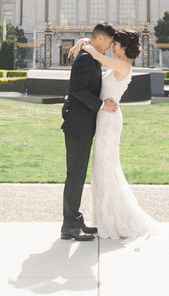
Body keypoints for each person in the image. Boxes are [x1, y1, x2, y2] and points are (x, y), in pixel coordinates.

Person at [73, 28, 157, 240]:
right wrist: (86, 41)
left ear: (124, 48)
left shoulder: (122, 66)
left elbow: (98, 56)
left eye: (116, 45)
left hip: (109, 120)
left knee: (107, 167)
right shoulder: (115, 65)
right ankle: (104, 218)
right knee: (101, 167)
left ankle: (118, 219)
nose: (112, 47)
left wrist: (87, 43)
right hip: (104, 117)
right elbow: (98, 56)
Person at [60, 22, 117, 241]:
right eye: (109, 42)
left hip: (82, 125)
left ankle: (74, 219)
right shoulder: (85, 59)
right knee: (74, 174)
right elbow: (78, 90)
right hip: (77, 125)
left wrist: (84, 42)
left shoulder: (89, 55)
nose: (110, 47)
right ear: (101, 39)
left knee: (78, 174)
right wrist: (101, 105)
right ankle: (69, 225)